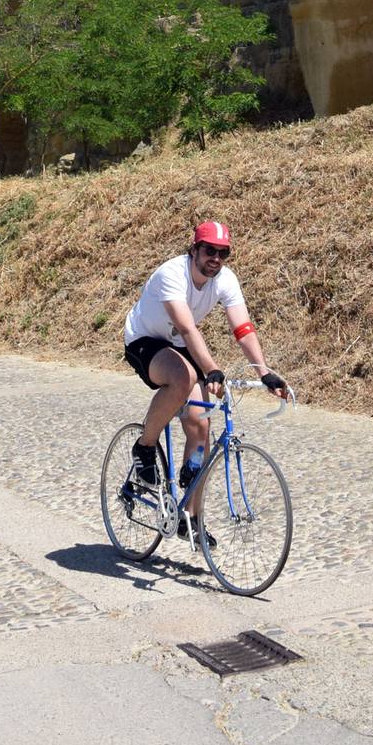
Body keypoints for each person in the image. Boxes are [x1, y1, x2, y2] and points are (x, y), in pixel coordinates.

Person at [122, 221, 288, 545]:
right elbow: (186, 328)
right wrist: (210, 368)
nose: (215, 258)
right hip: (144, 339)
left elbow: (242, 328)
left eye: (222, 253)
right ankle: (144, 446)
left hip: (180, 344)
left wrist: (264, 372)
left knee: (200, 424)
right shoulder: (172, 274)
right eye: (209, 250)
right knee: (183, 378)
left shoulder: (225, 280)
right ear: (194, 249)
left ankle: (191, 518)